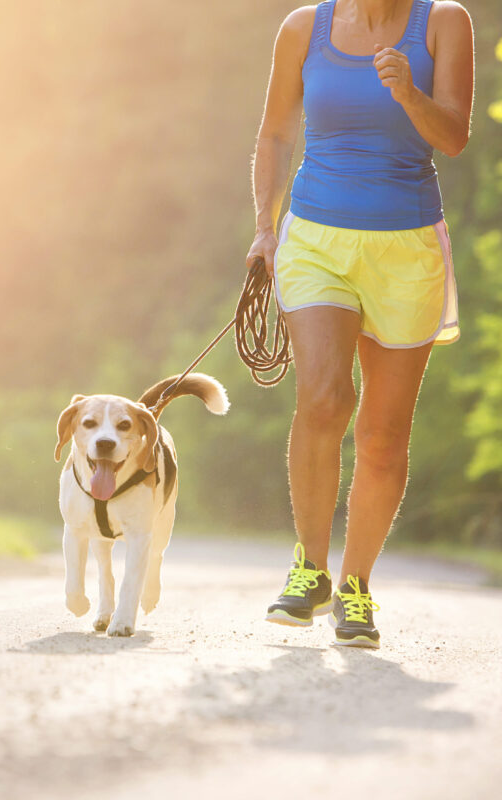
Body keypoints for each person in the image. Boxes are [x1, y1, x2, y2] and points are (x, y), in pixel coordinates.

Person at [247, 0, 474, 648]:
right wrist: (265, 226)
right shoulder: (303, 29)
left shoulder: (442, 23)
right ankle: (309, 568)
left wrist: (408, 92)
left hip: (408, 250)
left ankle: (355, 586)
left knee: (383, 436)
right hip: (317, 236)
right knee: (324, 398)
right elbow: (275, 134)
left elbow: (454, 135)